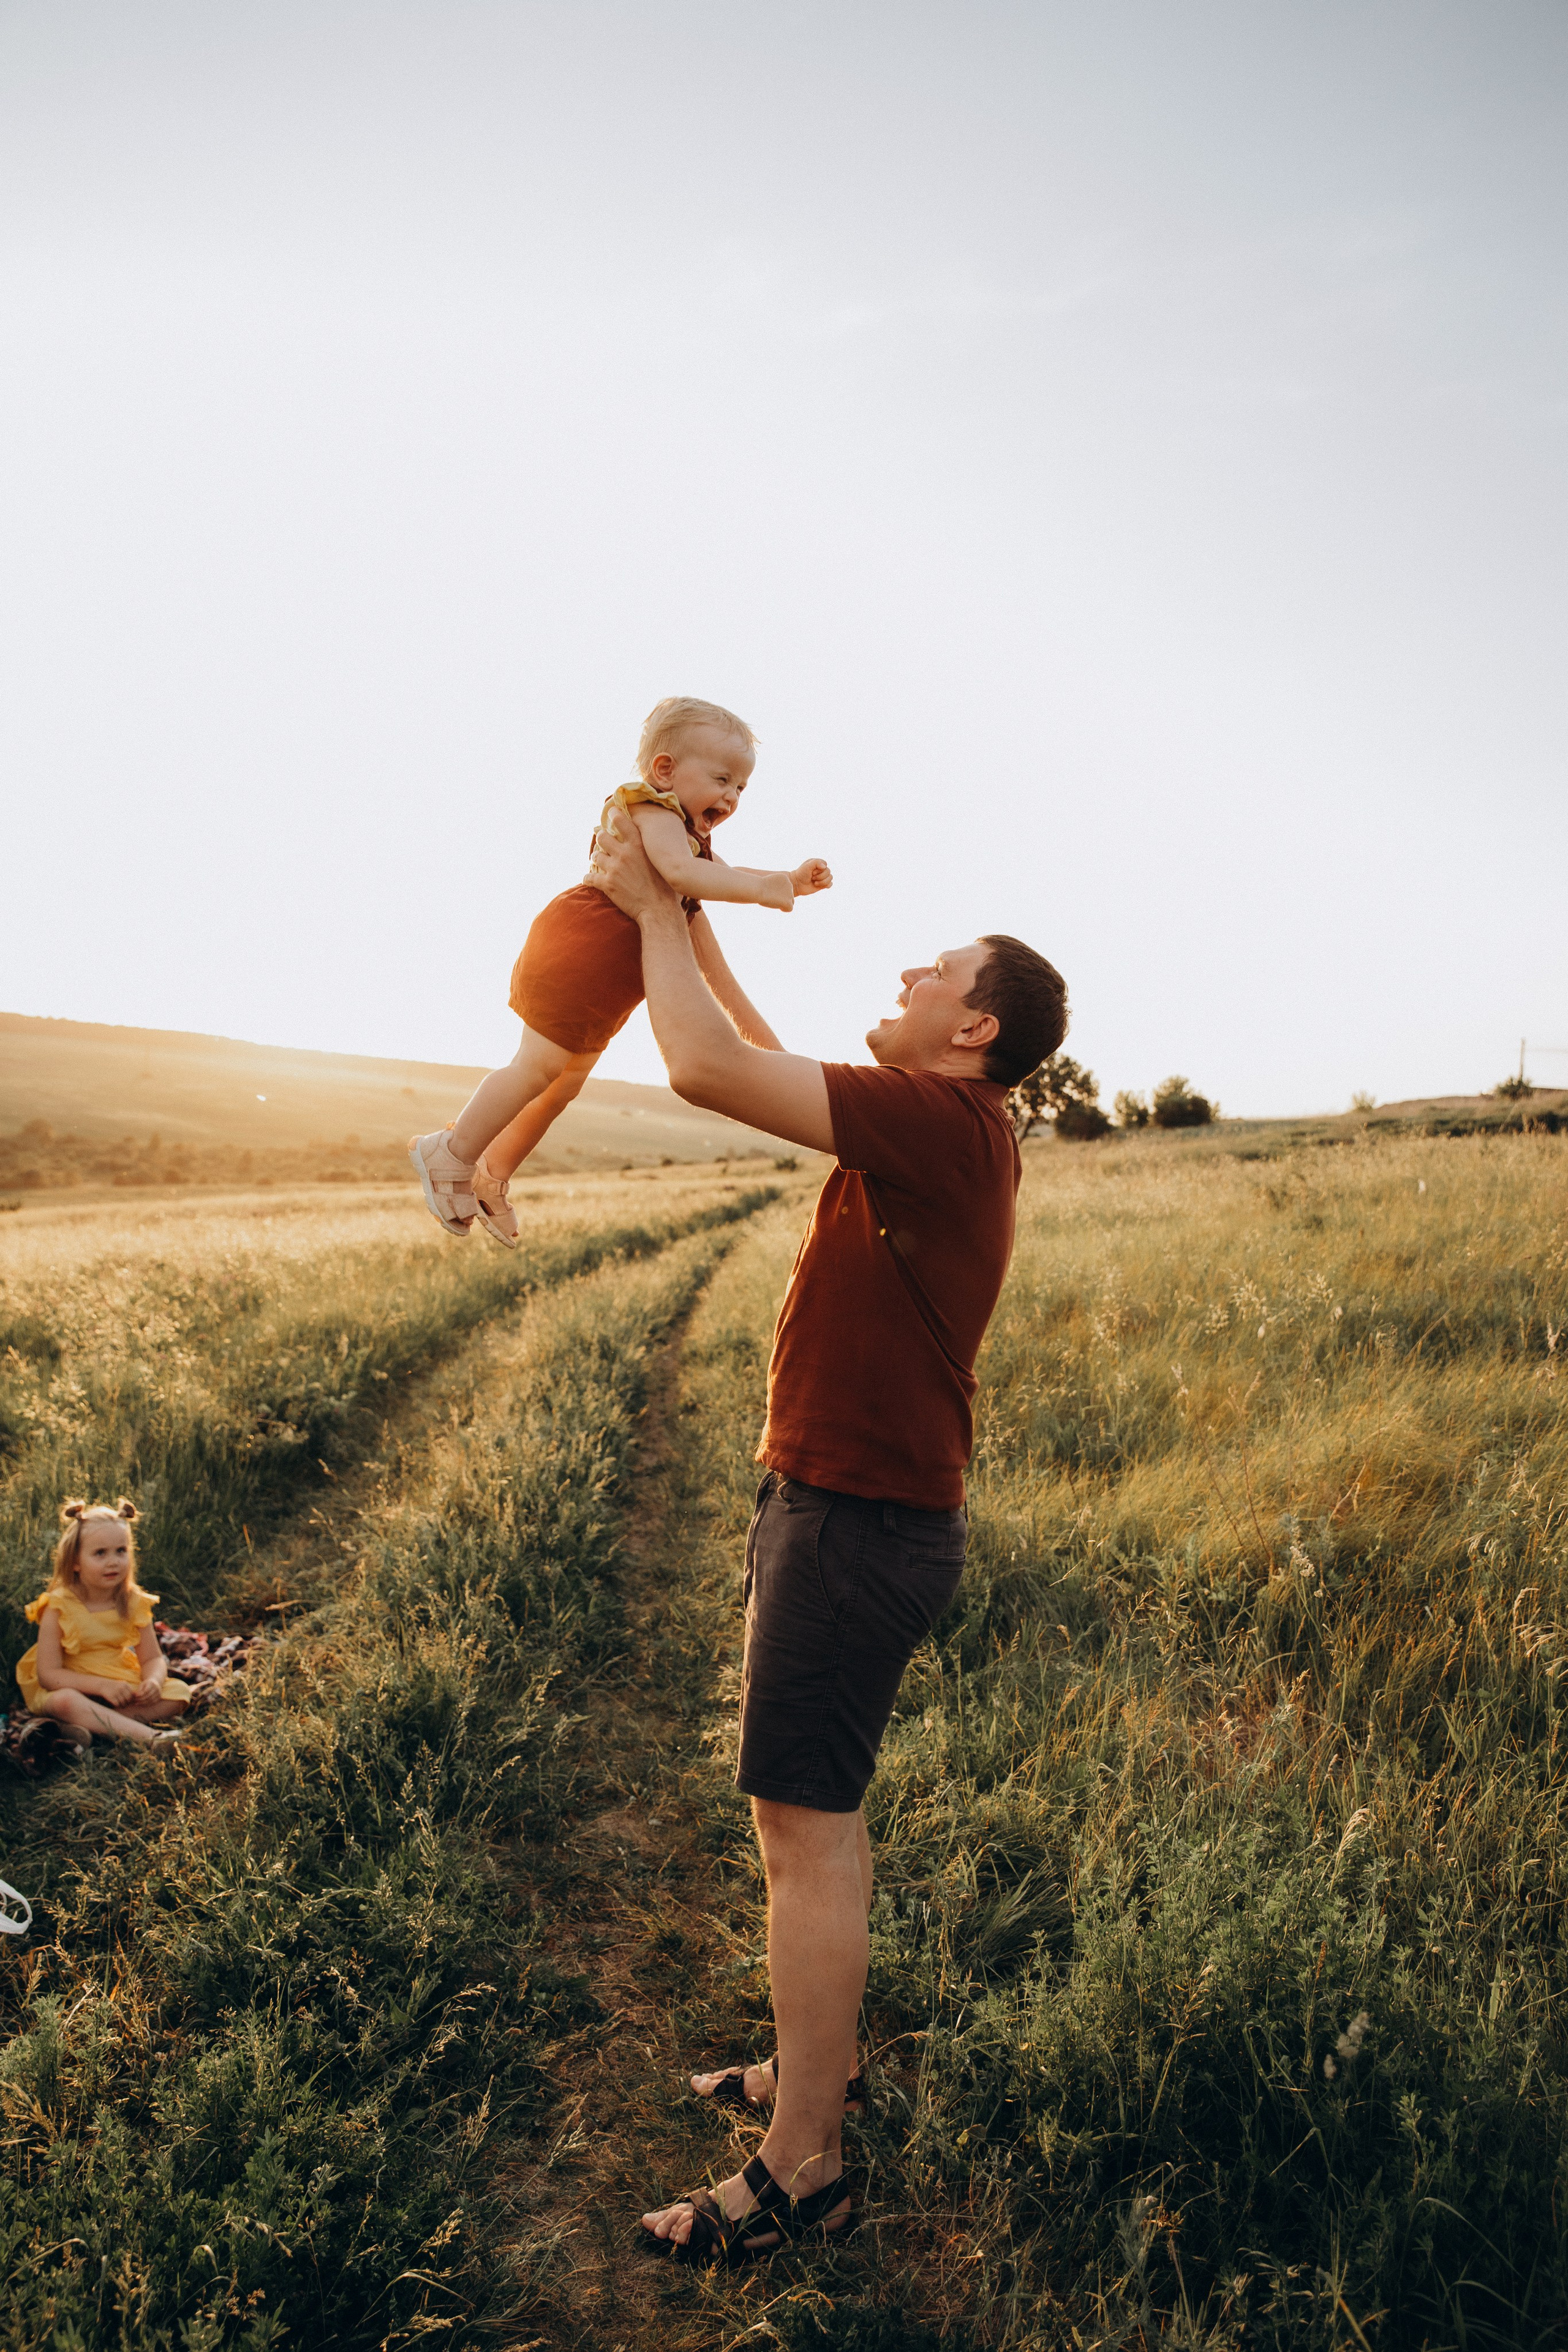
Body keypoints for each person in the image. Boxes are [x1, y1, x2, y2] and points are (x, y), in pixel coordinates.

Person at [586, 809, 1067, 2266]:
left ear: (969, 1026)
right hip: (847, 1509)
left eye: (934, 969)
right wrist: (680, 900)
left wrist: (639, 901)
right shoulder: (928, 1115)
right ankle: (818, 2072)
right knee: (807, 1821)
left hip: (857, 1524)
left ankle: (803, 2161)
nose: (907, 969)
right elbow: (751, 1035)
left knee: (806, 1832)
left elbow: (701, 1065)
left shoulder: (937, 1120)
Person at [407, 696, 832, 1243]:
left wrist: (787, 878)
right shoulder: (649, 808)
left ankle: (492, 1175)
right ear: (665, 770)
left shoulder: (690, 831)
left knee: (563, 1086)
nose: (731, 796)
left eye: (742, 788)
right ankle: (450, 1152)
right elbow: (683, 875)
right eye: (723, 779)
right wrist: (769, 893)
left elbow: (716, 872)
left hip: (612, 979)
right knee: (537, 1066)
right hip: (581, 949)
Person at [16, 1500, 190, 1752]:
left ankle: (91, 1729)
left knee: (179, 1693)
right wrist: (101, 1687)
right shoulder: (59, 1606)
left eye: (121, 1551)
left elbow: (153, 1658)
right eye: (100, 1553)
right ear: (75, 1562)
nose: (114, 1562)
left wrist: (152, 1682)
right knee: (66, 1702)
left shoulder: (134, 1602)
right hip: (69, 1684)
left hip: (116, 1679)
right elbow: (48, 1675)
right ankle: (148, 1738)